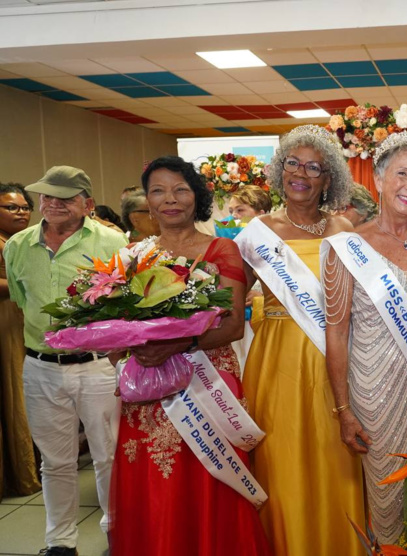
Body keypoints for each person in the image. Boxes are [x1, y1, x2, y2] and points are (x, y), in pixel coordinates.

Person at [107, 156, 269, 556]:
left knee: (209, 482)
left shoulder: (221, 249)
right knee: (153, 484)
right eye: (158, 191)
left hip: (207, 380)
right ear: (147, 200)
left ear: (197, 197)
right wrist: (122, 349)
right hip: (148, 389)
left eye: (180, 190)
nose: (170, 200)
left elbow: (231, 325)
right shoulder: (132, 255)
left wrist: (178, 345)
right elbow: (115, 320)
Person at [324, 131, 407, 544]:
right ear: (378, 181)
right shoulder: (345, 247)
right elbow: (336, 332)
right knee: (388, 505)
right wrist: (343, 409)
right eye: (401, 174)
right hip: (377, 394)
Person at [235, 125, 365, 555]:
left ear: (328, 181)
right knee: (283, 460)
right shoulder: (257, 233)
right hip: (277, 360)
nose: (302, 174)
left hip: (336, 359)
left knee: (334, 459)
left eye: (315, 167)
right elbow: (230, 303)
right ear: (280, 171)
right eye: (293, 163)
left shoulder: (343, 227)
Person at [3, 166, 127, 556]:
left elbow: (125, 301)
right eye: (47, 196)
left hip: (97, 366)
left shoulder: (112, 241)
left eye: (65, 197)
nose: (53, 204)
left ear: (87, 203)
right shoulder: (17, 245)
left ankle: (116, 535)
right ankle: (60, 542)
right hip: (40, 366)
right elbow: (25, 303)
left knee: (108, 456)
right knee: (55, 462)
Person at [0, 182, 40, 500]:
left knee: (24, 396)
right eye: (11, 207)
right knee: (11, 393)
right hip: (5, 326)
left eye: (25, 207)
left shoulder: (22, 241)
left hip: (23, 322)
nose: (21, 212)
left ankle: (26, 470)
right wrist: (25, 285)